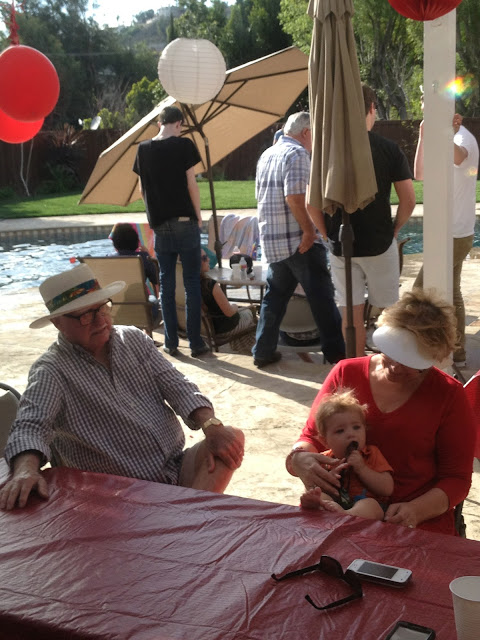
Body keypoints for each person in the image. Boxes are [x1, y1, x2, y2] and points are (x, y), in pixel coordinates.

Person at [0, 265, 244, 511]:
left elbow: (178, 386)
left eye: (102, 308)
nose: (101, 320)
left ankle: (185, 516)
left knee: (230, 438)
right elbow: (31, 425)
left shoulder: (133, 339)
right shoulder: (52, 370)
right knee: (192, 506)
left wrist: (211, 425)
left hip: (175, 466)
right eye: (85, 315)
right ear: (58, 323)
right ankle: (189, 516)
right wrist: (25, 470)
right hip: (116, 493)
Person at [286, 289, 476, 536]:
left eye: (410, 363)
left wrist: (416, 510)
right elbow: (312, 437)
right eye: (392, 354)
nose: (395, 367)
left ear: (432, 359)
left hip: (415, 521)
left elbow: (457, 479)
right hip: (340, 509)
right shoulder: (346, 372)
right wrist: (299, 458)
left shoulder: (448, 394)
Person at [308, 85, 416, 357]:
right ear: (371, 108)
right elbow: (408, 200)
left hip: (341, 245)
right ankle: (390, 366)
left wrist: (326, 234)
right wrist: (395, 229)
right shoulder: (388, 149)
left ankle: (354, 368)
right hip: (379, 242)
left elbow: (312, 203)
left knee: (350, 314)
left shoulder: (327, 151)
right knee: (390, 314)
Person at [252, 111, 345, 368]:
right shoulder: (298, 154)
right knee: (322, 299)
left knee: (275, 298)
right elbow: (294, 197)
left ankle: (262, 351)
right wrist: (309, 231)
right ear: (306, 132)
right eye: (315, 134)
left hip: (274, 240)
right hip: (298, 241)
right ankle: (338, 357)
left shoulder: (267, 154)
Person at [133, 105, 208, 358]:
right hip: (185, 222)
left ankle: (171, 342)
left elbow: (142, 190)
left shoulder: (143, 149)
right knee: (191, 283)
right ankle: (196, 343)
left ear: (159, 124)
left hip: (160, 225)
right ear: (179, 124)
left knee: (165, 284)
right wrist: (198, 216)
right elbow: (191, 184)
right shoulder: (184, 145)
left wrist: (154, 213)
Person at [413, 109, 479, 367]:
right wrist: (423, 135)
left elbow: (460, 158)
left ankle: (418, 352)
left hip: (455, 233)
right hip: (445, 232)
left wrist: (445, 132)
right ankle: (458, 353)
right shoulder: (442, 137)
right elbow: (420, 174)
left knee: (419, 292)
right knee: (453, 293)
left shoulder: (463, 138)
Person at [300, 389, 393, 521]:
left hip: (366, 509)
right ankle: (318, 507)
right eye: (340, 431)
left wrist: (362, 469)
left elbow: (387, 489)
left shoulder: (371, 454)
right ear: (325, 441)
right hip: (336, 505)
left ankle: (347, 515)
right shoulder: (325, 459)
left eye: (356, 427)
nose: (351, 434)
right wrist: (328, 479)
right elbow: (313, 484)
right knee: (321, 496)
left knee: (370, 505)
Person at [200, 248, 257, 352]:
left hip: (206, 328)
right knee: (251, 311)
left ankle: (240, 348)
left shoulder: (189, 285)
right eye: (204, 258)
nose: (208, 259)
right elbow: (229, 312)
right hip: (224, 328)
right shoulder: (210, 285)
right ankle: (253, 348)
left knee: (241, 312)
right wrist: (235, 306)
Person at [110, 222, 160, 326]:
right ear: (136, 242)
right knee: (155, 300)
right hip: (143, 310)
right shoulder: (143, 257)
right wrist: (149, 257)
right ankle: (146, 332)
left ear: (115, 242)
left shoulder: (107, 259)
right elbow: (157, 279)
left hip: (116, 310)